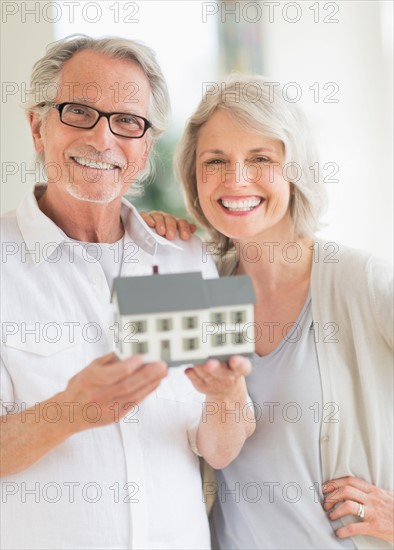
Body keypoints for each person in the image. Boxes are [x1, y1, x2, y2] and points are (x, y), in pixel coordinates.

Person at [0, 36, 255, 550]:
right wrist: (71, 410)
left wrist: (227, 397)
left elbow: (220, 450)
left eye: (127, 121)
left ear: (144, 149)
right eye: (79, 111)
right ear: (37, 126)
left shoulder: (185, 259)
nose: (102, 139)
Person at [141, 75, 394, 549]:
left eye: (261, 159)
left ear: (296, 169)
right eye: (215, 161)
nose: (236, 180)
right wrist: (144, 244)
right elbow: (144, 431)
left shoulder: (363, 282)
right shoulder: (196, 288)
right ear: (193, 176)